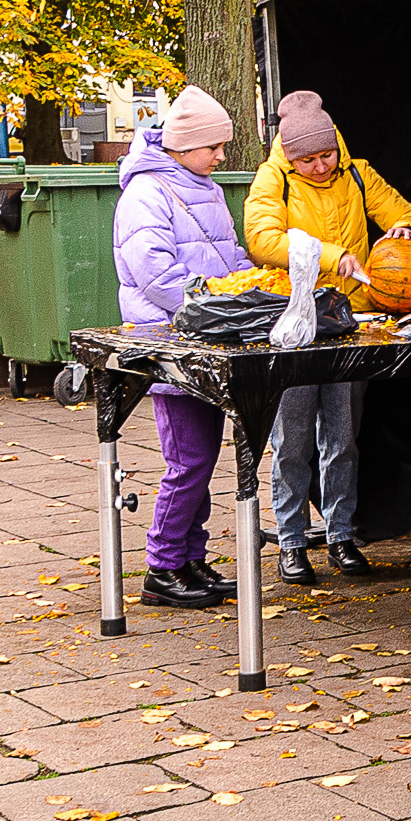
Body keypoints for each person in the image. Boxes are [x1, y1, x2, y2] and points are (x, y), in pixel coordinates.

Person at [245, 91, 411, 585]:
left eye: (326, 155)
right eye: (307, 159)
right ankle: (290, 540)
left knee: (343, 438)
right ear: (289, 154)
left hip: (350, 325)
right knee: (293, 438)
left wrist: (405, 231)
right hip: (298, 326)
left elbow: (408, 212)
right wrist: (329, 255)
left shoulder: (356, 172)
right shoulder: (274, 179)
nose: (320, 166)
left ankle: (341, 534)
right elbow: (262, 240)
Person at [112, 87, 254, 609]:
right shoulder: (146, 193)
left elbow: (229, 254)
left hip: (208, 338)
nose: (221, 157)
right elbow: (156, 275)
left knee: (202, 456)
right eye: (214, 146)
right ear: (186, 144)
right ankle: (163, 567)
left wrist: (256, 285)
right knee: (188, 459)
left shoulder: (205, 187)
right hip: (170, 343)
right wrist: (219, 301)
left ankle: (191, 558)